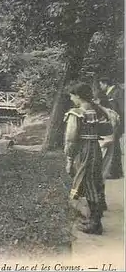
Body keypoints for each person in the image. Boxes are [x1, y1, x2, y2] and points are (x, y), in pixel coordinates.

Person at [64, 82, 106, 235]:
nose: (71, 98)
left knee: (87, 182)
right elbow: (107, 128)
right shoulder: (97, 110)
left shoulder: (76, 113)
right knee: (94, 181)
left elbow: (71, 138)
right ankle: (94, 219)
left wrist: (69, 159)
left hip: (84, 150)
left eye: (72, 95)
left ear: (78, 96)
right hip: (95, 148)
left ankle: (95, 224)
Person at [97, 77, 124, 179]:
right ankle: (114, 172)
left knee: (114, 148)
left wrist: (121, 127)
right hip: (112, 122)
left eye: (101, 84)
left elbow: (122, 110)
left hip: (115, 123)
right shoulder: (111, 93)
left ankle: (115, 172)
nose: (100, 87)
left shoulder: (117, 92)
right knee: (114, 147)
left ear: (105, 83)